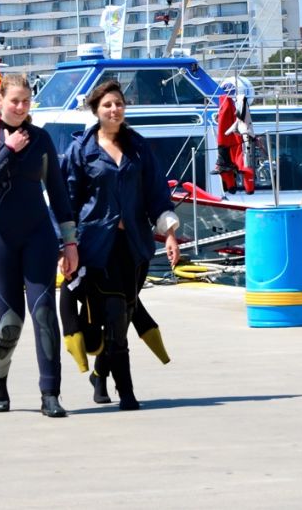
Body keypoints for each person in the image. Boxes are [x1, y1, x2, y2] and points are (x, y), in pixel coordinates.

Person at [60, 80, 181, 410]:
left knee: (120, 316)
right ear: (96, 111)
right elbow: (67, 201)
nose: (114, 110)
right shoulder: (80, 151)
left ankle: (100, 373)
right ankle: (126, 392)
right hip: (96, 247)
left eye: (119, 104)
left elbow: (157, 194)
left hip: (135, 247)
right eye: (107, 105)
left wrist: (169, 233)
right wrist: (66, 245)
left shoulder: (139, 148)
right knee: (114, 313)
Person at [0, 73, 77, 419]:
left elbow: (58, 194)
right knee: (11, 320)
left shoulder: (40, 139)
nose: (21, 107)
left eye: (26, 101)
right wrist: (8, 152)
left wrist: (70, 242)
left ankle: (50, 393)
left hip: (38, 234)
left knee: (44, 313)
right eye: (14, 101)